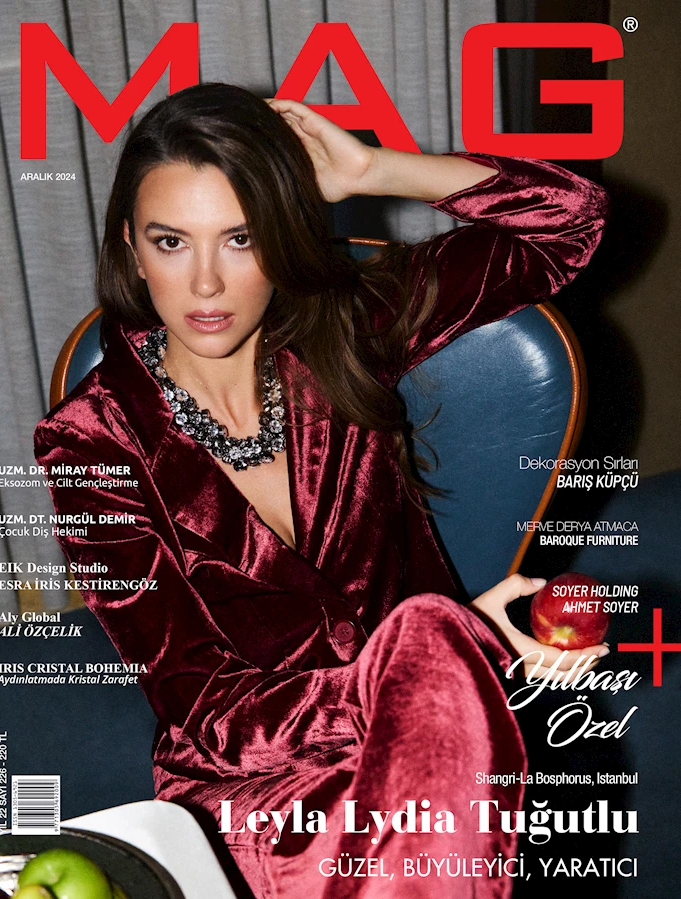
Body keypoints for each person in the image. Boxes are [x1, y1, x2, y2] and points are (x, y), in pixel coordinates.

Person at [34, 83, 610, 899]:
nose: (205, 284)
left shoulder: (347, 330)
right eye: (171, 242)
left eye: (241, 238)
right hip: (254, 790)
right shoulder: (90, 443)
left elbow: (569, 219)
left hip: (434, 728)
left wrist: (374, 170)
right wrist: (430, 653)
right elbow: (203, 705)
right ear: (130, 248)